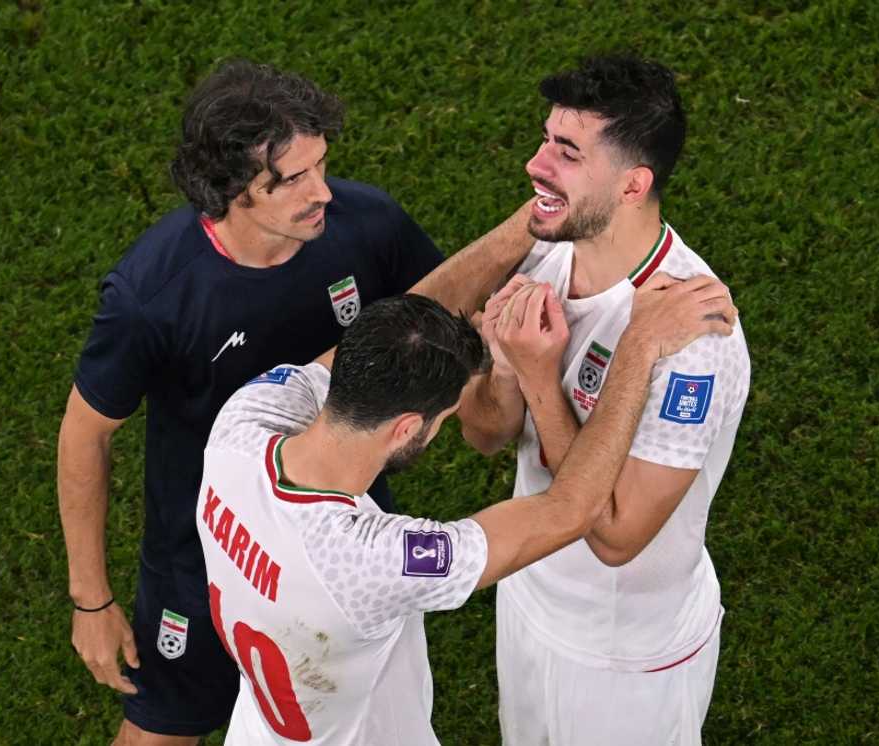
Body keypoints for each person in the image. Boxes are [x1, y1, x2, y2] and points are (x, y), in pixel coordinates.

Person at [57, 59, 534, 745]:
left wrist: (526, 233)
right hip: (209, 543)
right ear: (228, 189)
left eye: (321, 166)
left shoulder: (365, 224)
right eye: (291, 180)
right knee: (160, 730)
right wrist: (90, 599)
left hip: (342, 530)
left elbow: (429, 313)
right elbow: (86, 433)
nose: (322, 193)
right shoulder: (153, 296)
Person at [197, 276, 735, 744]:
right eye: (443, 418)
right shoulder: (369, 561)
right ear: (408, 429)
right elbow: (572, 509)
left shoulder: (241, 424)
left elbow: (369, 347)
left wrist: (523, 231)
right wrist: (639, 344)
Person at [457, 54, 752, 745]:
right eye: (545, 140)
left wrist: (539, 376)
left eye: (567, 153)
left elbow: (617, 534)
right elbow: (485, 435)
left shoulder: (694, 339)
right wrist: (505, 370)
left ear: (632, 185)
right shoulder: (546, 252)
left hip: (624, 654)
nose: (535, 165)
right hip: (528, 596)